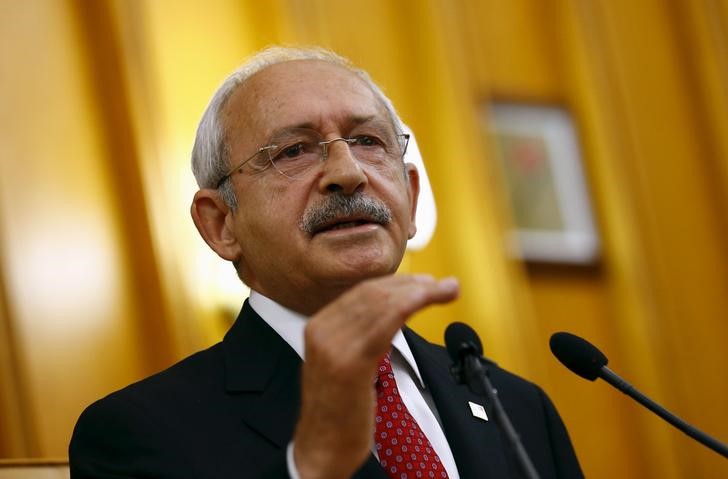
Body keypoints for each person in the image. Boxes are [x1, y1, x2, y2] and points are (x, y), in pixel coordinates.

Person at [69, 46, 583, 479]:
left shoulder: (518, 408)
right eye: (294, 151)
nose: (348, 172)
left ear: (410, 194)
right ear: (221, 224)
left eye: (367, 141)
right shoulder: (139, 435)